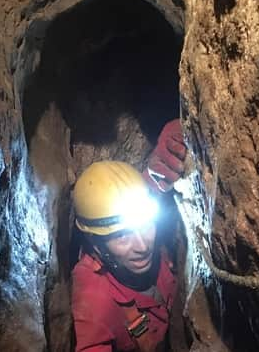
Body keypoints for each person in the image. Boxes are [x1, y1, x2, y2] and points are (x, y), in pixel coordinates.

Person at [71, 120, 187, 352]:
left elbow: (147, 189)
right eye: (122, 237)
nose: (143, 245)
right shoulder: (95, 297)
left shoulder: (131, 208)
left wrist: (183, 129)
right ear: (96, 243)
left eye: (145, 225)